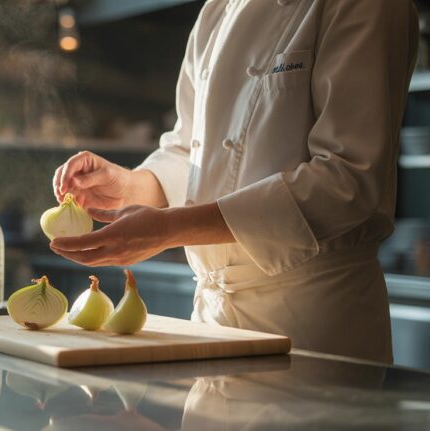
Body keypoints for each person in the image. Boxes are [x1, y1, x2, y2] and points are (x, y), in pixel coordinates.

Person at [50, 0, 419, 363]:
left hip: (312, 322)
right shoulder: (217, 11)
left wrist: (169, 229)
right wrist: (132, 186)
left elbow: (347, 180)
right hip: (211, 321)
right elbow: (190, 152)